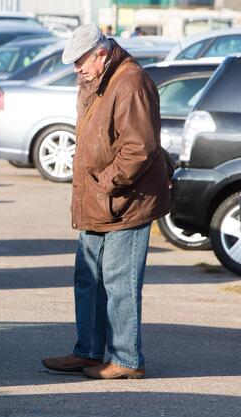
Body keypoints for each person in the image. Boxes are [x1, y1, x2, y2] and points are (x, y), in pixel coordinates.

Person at [41, 25, 172, 379]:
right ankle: (89, 350)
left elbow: (139, 148)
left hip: (125, 203)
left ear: (102, 53)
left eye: (81, 61)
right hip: (98, 201)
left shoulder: (130, 82)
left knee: (119, 282)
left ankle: (127, 359)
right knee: (87, 278)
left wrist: (105, 183)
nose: (76, 69)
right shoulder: (95, 80)